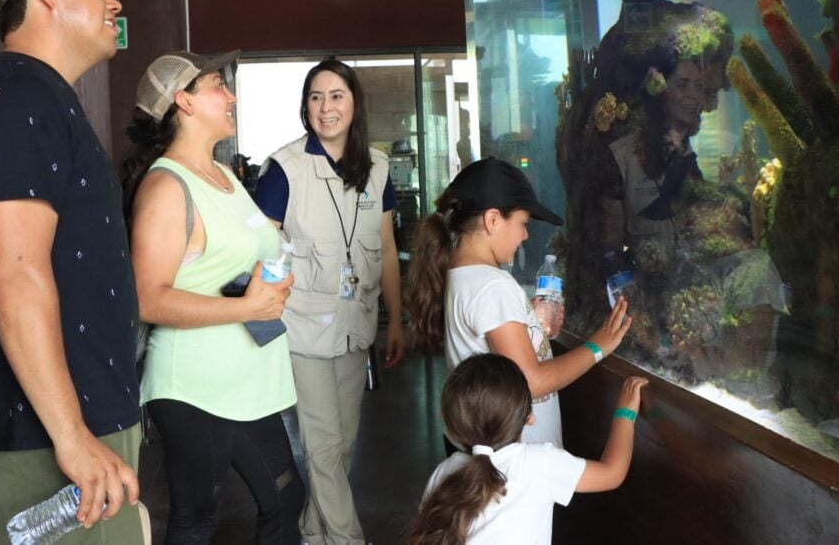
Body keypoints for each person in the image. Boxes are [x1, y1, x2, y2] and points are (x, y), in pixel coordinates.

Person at [0, 0, 146, 543]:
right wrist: (74, 437)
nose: (115, 3)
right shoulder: (16, 97)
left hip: (80, 424)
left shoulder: (41, 99)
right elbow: (15, 275)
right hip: (55, 436)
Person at [120, 51, 304, 544]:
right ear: (184, 101)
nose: (232, 96)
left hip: (244, 378)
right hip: (195, 385)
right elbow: (146, 298)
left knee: (286, 497)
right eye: (218, 86)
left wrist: (264, 282)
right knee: (198, 517)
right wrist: (248, 306)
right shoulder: (165, 186)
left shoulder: (223, 177)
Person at [254, 59, 405, 545]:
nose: (326, 107)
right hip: (301, 329)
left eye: (336, 95)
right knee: (321, 448)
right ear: (305, 107)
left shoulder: (377, 169)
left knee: (342, 447)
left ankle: (311, 533)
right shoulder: (284, 170)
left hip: (355, 325)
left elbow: (385, 248)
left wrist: (395, 320)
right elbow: (260, 252)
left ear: (354, 102)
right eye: (316, 97)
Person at [409, 157, 631, 449]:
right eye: (522, 223)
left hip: (476, 444)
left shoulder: (459, 273)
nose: (525, 235)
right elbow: (530, 382)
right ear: (492, 220)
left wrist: (526, 320)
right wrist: (596, 347)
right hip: (512, 462)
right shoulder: (493, 285)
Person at [409, 353, 648, 545]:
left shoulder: (445, 471)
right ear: (529, 417)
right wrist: (624, 413)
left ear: (449, 420)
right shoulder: (540, 463)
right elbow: (612, 473)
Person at [601, 58, 706, 269]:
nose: (693, 95)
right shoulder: (622, 157)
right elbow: (610, 245)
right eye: (682, 85)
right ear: (659, 92)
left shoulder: (688, 160)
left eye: (698, 86)